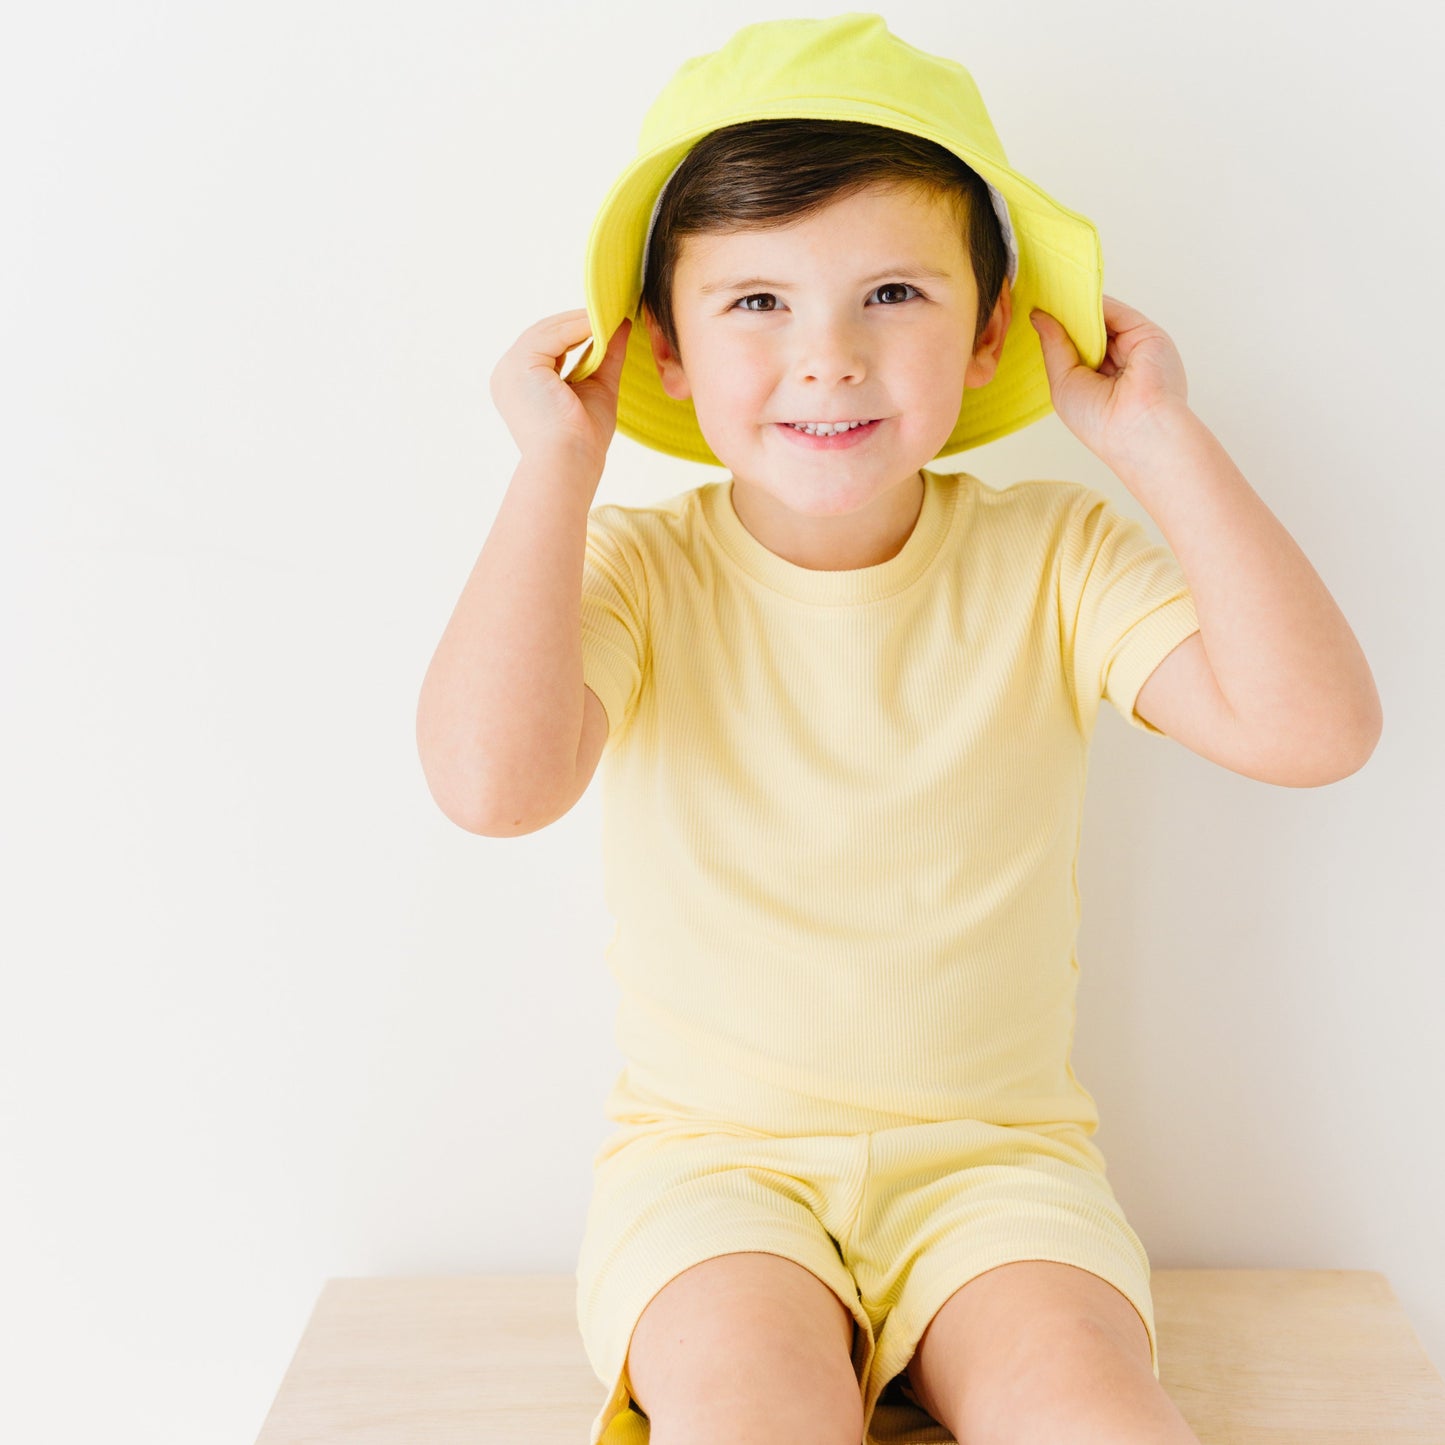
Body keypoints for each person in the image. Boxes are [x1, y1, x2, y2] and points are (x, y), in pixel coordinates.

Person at [416, 15, 1382, 1445]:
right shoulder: (634, 567)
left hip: (1000, 1176)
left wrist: (1157, 441)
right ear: (660, 350)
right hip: (709, 1181)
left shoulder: (1050, 551)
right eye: (752, 303)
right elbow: (492, 787)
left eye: (889, 293)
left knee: (1100, 1418)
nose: (827, 359)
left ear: (988, 328)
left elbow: (1313, 730)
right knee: (752, 1414)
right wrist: (557, 462)